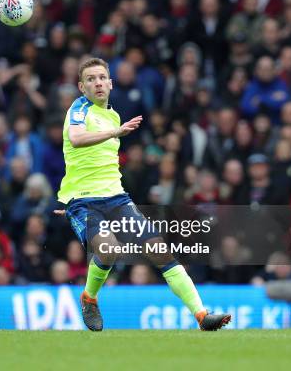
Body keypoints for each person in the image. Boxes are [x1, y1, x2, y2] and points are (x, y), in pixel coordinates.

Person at [54, 58, 230, 332]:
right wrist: (116, 132)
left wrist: (115, 129)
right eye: (90, 79)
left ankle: (201, 315)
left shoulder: (112, 114)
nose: (97, 82)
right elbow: (76, 139)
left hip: (116, 198)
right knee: (109, 249)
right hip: (85, 201)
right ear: (81, 86)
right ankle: (89, 297)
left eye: (102, 77)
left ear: (111, 83)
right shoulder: (79, 109)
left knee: (158, 249)